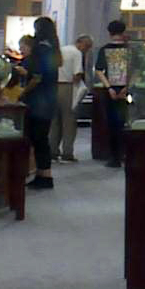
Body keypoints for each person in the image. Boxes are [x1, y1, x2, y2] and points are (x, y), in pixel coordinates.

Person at [22, 17, 62, 190]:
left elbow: (37, 77)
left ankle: (44, 176)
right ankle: (43, 174)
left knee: (37, 138)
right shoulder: (53, 49)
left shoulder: (40, 49)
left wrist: (22, 92)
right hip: (50, 97)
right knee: (42, 138)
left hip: (38, 100)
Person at [94, 21, 131, 169]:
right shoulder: (130, 49)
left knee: (112, 124)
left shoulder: (104, 49)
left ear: (109, 32)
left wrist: (109, 87)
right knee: (126, 123)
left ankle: (114, 157)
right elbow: (136, 70)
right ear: (123, 31)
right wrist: (127, 87)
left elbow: (99, 70)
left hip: (110, 89)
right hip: (126, 89)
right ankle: (126, 154)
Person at [52, 35, 94, 162]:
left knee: (54, 122)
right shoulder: (77, 53)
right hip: (68, 87)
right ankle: (67, 153)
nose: (86, 50)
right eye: (86, 46)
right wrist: (78, 88)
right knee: (69, 122)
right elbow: (77, 74)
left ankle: (52, 151)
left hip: (53, 87)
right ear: (79, 43)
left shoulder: (62, 49)